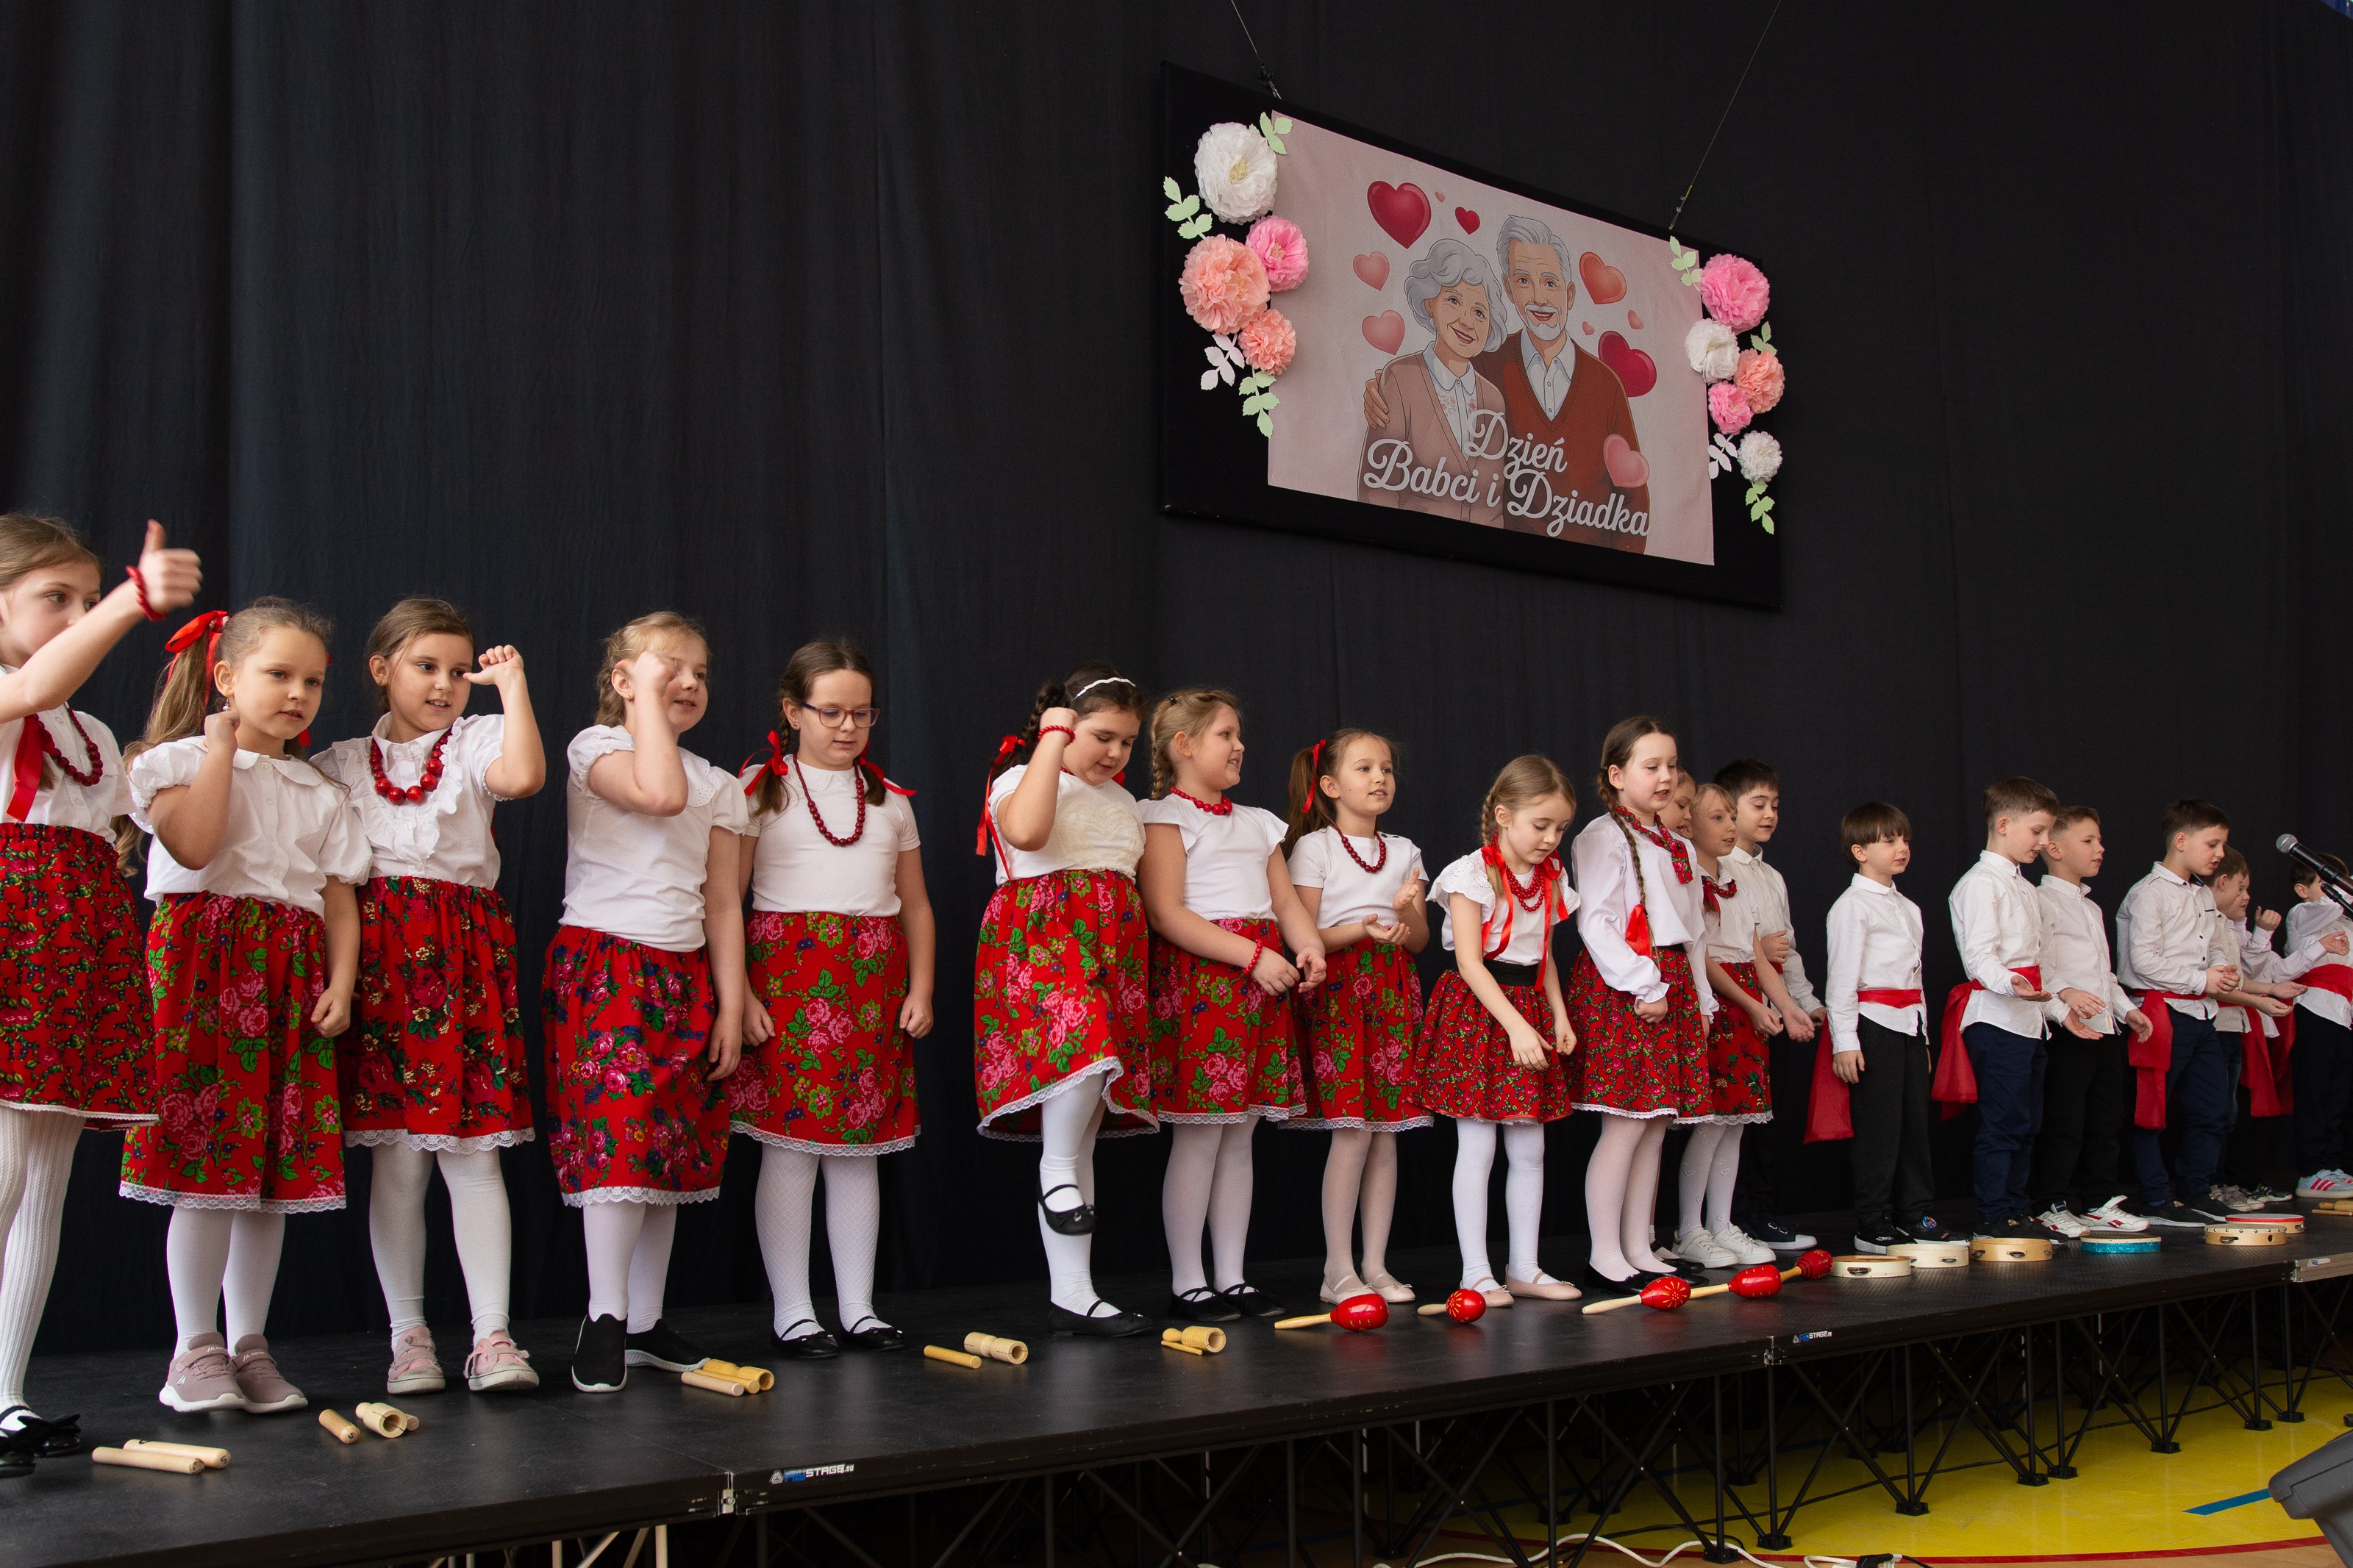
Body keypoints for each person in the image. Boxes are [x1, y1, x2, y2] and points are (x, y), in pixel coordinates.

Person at [118, 598, 368, 1416]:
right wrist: (222, 747)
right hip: (202, 967)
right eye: (278, 674)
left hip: (288, 974)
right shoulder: (175, 762)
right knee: (206, 1166)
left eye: (313, 682)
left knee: (269, 1177)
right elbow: (194, 845)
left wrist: (340, 981)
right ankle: (194, 1347)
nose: (298, 694)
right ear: (226, 677)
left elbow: (337, 897)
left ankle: (249, 1343)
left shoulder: (321, 791)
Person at [0, 518, 199, 1455]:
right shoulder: (16, 693)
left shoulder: (89, 733)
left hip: (74, 952)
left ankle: (6, 1392)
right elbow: (34, 685)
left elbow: (135, 830)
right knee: (5, 1170)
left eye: (87, 600)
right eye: (56, 598)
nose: (78, 616)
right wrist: (129, 600)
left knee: (45, 1182)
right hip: (12, 942)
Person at [317, 599, 544, 1397]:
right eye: (425, 667)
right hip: (379, 964)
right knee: (400, 1159)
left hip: (460, 960)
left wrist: (511, 688)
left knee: (473, 1153)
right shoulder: (341, 763)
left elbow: (523, 776)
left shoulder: (477, 741)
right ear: (382, 670)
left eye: (458, 671)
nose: (444, 684)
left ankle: (493, 1335)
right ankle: (408, 1336)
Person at [543, 613, 753, 1392]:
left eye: (700, 673)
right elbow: (659, 795)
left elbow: (723, 901)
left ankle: (644, 1321)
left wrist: (730, 1002)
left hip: (682, 973)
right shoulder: (596, 748)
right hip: (607, 964)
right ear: (624, 680)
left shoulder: (719, 784)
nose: (689, 683)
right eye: (670, 668)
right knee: (619, 1140)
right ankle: (603, 1313)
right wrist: (646, 703)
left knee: (668, 1145)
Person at [732, 640, 933, 1360]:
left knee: (858, 1150)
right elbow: (723, 898)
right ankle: (794, 1309)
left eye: (863, 713)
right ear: (792, 711)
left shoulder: (891, 801)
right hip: (788, 981)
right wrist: (740, 993)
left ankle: (858, 1307)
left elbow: (915, 904)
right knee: (791, 1150)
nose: (848, 726)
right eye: (831, 712)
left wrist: (921, 986)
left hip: (872, 986)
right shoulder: (759, 789)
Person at [975, 662, 1157, 1336]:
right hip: (1043, 937)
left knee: (1084, 1120)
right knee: (1085, 1051)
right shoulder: (1023, 778)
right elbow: (1025, 835)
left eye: (1127, 742)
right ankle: (1053, 1172)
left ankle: (1073, 1293)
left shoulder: (1124, 802)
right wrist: (1051, 741)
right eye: (1102, 736)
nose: (1115, 753)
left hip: (1112, 948)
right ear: (1065, 725)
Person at [1139, 689, 1324, 1322]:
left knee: (1240, 1137)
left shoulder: (1259, 822)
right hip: (1206, 987)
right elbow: (1167, 912)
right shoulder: (1163, 817)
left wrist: (1307, 945)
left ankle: (1232, 1276)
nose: (1240, 745)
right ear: (1184, 745)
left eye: (1239, 734)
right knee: (1199, 1138)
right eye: (1226, 734)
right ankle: (1188, 1281)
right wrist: (1251, 956)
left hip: (1259, 988)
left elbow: (1286, 902)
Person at [1363, 215, 1652, 548]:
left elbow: (1633, 501)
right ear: (1509, 289)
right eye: (1523, 280)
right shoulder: (1483, 363)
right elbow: (1431, 385)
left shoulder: (1606, 385)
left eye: (1550, 283)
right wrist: (1381, 390)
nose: (1539, 298)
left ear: (1570, 294)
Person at [1415, 755, 1581, 1307]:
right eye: (1542, 825)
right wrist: (1516, 1026)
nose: (1551, 839)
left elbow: (1544, 955)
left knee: (1530, 1146)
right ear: (1504, 816)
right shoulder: (1471, 874)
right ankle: (1476, 1272)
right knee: (1478, 1145)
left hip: (1528, 1008)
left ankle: (1525, 1267)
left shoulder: (1550, 877)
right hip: (1481, 1011)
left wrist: (1558, 1014)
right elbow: (1469, 962)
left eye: (1561, 829)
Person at [1282, 728, 1429, 1306]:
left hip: (1392, 993)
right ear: (1329, 785)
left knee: (1385, 1133)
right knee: (1352, 1131)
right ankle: (1338, 1268)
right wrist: (1363, 929)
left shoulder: (1407, 850)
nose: (1380, 778)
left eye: (1386, 768)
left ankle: (1375, 1263)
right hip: (1341, 991)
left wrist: (1402, 915)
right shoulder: (1314, 848)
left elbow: (1418, 941)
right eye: (1364, 768)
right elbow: (1306, 934)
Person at [1565, 717, 1712, 1295]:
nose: (1665, 777)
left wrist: (1699, 996)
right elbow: (1597, 922)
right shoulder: (1602, 836)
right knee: (1625, 1124)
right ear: (1617, 774)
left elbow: (1694, 930)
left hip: (1671, 980)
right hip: (1628, 983)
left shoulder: (1679, 844)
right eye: (1651, 766)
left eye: (1671, 765)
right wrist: (1644, 984)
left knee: (1655, 1124)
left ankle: (1638, 1245)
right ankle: (1605, 1254)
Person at [1945, 776, 2087, 1245]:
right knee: (2003, 1124)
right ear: (2004, 824)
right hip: (1996, 1020)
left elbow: (2041, 964)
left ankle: (2015, 1210)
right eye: (2038, 831)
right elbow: (1979, 958)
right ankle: (1993, 1218)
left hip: (2029, 1022)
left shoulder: (2025, 887)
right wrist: (2013, 984)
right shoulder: (1980, 884)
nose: (2044, 842)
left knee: (2027, 1125)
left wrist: (2059, 1010)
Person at [1816, 803, 1952, 1253]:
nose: (1901, 848)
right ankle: (1872, 1221)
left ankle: (1914, 1212)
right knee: (1879, 1128)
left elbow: (1916, 980)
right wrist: (1845, 1042)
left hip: (1908, 1025)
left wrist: (1924, 1037)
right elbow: (1842, 981)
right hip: (1872, 1026)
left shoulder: (1909, 907)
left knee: (1915, 1124)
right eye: (1889, 840)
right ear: (1859, 851)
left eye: (1904, 839)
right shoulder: (1851, 907)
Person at [2114, 800, 2243, 1228]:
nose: (2220, 854)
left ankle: (2196, 1190)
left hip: (2202, 1013)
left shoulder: (2203, 893)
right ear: (2182, 841)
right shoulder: (2149, 892)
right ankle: (2155, 1197)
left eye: (2222, 845)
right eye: (2213, 844)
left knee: (2213, 1110)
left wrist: (2221, 969)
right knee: (2151, 1110)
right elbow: (2143, 961)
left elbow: (2215, 943)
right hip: (2160, 1012)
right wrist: (2201, 978)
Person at [1670, 782, 1783, 1269]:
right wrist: (1750, 1004)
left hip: (1746, 1001)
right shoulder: (1687, 876)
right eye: (1718, 817)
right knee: (1711, 1122)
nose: (1730, 826)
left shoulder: (1738, 876)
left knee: (1736, 1124)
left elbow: (1754, 951)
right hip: (1716, 1001)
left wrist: (1782, 1004)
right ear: (1689, 823)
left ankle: (1721, 1222)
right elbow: (1703, 954)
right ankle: (1689, 1228)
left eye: (1732, 816)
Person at [2027, 805, 2152, 1238]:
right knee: (2065, 1122)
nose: (2100, 848)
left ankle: (2098, 1200)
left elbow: (2105, 974)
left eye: (2099, 840)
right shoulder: (2041, 901)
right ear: (2055, 848)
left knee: (2106, 1119)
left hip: (2104, 1029)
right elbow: (2040, 967)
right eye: (2088, 841)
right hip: (2067, 1030)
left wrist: (2127, 1010)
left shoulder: (2093, 908)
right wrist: (2066, 995)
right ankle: (2049, 1202)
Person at [1716, 759, 1823, 1255]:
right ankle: (1735, 1217)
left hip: (1777, 1007)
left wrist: (1806, 1001)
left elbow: (1788, 950)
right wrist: (1762, 949)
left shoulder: (1772, 876)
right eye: (1758, 805)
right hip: (1739, 1005)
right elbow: (1733, 943)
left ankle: (1760, 1212)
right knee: (1735, 1120)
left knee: (1768, 1119)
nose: (1770, 815)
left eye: (1775, 805)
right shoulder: (1721, 869)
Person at [1355, 237, 1509, 526]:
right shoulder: (1400, 379)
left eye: (1479, 312)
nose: (1467, 322)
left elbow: (1493, 503)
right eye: (1454, 301)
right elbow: (1377, 489)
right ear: (1429, 303)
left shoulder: (1493, 399)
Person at [2207, 847, 2313, 1209]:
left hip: (2240, 1022)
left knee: (2231, 1113)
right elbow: (2244, 973)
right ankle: (2212, 1186)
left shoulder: (2227, 925)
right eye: (2241, 888)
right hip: (2220, 1022)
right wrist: (2265, 992)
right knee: (2218, 1113)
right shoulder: (2209, 922)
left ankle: (2228, 1184)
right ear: (2222, 883)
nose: (2247, 896)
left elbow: (2251, 972)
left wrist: (2270, 989)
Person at [2284, 853, 2353, 1199]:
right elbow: (2328, 906)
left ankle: (2332, 1164)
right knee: (2314, 1092)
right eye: (2328, 884)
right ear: (2303, 889)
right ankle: (2311, 1170)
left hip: (2344, 1013)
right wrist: (2342, 890)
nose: (2338, 891)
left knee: (2338, 1095)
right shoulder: (2302, 914)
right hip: (2313, 1008)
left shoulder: (2347, 921)